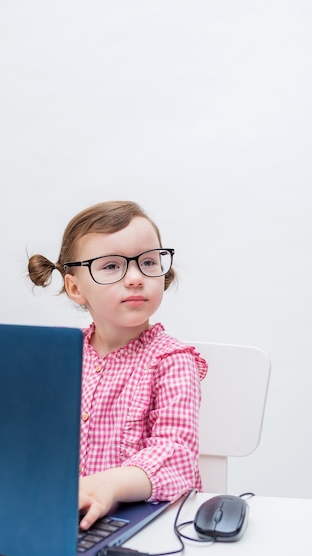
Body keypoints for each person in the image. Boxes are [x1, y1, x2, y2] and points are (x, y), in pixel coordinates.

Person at [28, 200, 207, 530]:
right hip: (61, 517)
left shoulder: (172, 361)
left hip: (142, 523)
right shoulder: (56, 356)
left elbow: (176, 455)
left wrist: (111, 485)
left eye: (148, 261)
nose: (136, 278)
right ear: (75, 287)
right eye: (111, 266)